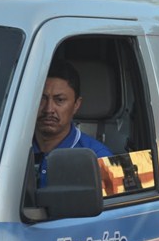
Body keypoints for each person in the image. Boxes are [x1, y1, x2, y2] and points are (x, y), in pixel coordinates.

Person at [32, 59, 112, 188]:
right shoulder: (8, 148)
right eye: (42, 98)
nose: (48, 109)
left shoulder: (97, 158)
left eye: (59, 100)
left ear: (76, 105)